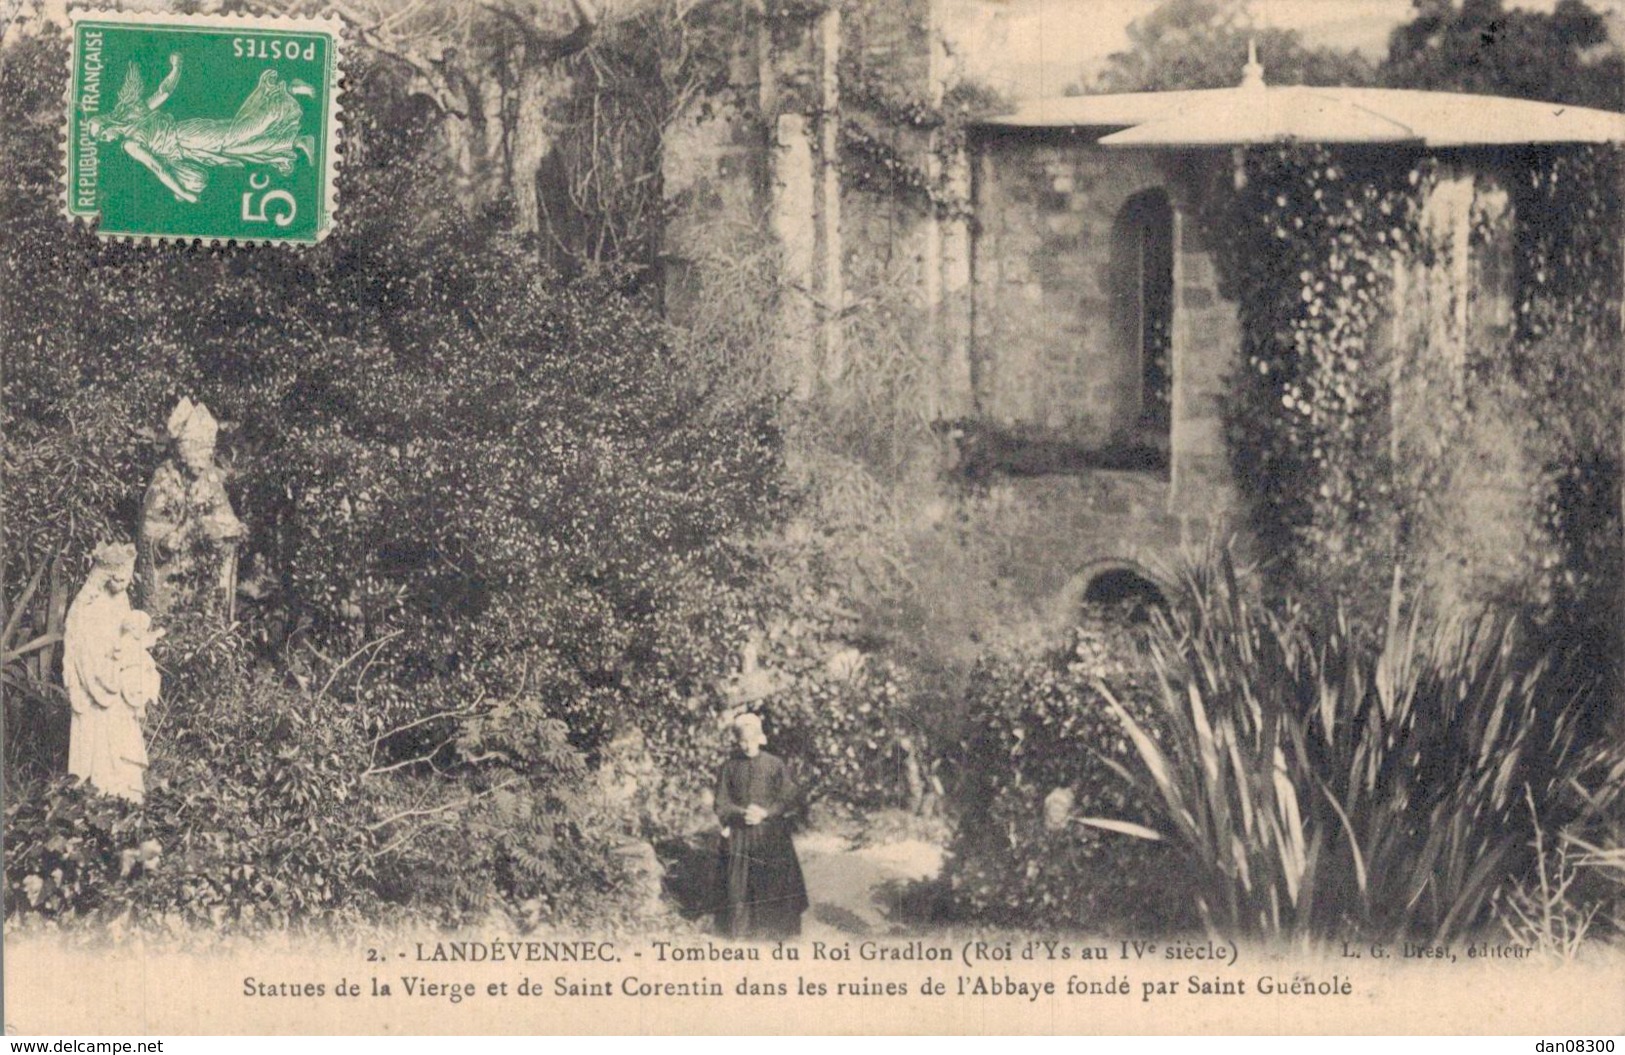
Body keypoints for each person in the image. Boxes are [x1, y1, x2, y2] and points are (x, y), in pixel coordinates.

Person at [87, 56, 315, 204]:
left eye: (103, 135)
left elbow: (157, 166)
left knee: (237, 134)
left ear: (108, 124)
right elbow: (163, 95)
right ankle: (297, 142)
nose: (106, 140)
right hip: (189, 151)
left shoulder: (130, 140)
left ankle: (288, 91)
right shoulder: (132, 126)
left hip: (186, 134)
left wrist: (177, 68)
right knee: (238, 149)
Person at [138, 398, 246, 618]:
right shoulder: (164, 480)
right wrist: (166, 541)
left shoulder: (211, 479)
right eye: (197, 452)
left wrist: (228, 530)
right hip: (172, 572)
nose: (203, 460)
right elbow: (149, 530)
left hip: (203, 570)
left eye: (207, 453)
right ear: (182, 452)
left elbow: (225, 518)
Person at [63, 543, 150, 803]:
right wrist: (103, 666)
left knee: (121, 734)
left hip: (117, 679)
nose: (121, 584)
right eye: (117, 578)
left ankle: (124, 790)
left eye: (125, 579)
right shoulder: (86, 604)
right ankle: (98, 791)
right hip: (96, 680)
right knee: (97, 733)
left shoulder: (120, 599)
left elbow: (127, 632)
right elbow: (78, 645)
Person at [714, 712, 808, 939]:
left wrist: (766, 813)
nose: (747, 745)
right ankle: (742, 933)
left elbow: (788, 797)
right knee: (739, 887)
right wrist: (741, 813)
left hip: (770, 833)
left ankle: (775, 933)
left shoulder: (774, 765)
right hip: (741, 834)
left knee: (774, 882)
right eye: (742, 740)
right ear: (737, 741)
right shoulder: (729, 767)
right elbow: (721, 802)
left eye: (751, 739)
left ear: (760, 737)